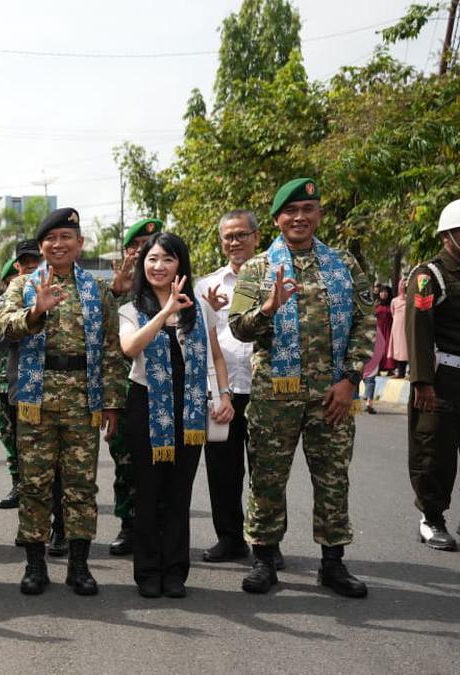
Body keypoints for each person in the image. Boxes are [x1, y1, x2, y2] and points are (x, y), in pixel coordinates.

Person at [229, 178, 374, 598]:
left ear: (319, 215)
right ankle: (264, 559)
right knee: (267, 480)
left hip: (332, 396)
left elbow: (365, 322)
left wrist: (350, 380)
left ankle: (333, 563)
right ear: (277, 219)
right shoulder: (257, 268)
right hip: (275, 396)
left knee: (333, 480)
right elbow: (238, 327)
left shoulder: (344, 264)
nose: (299, 217)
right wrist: (268, 308)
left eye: (307, 209)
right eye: (290, 211)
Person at [0, 208, 126, 596]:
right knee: (34, 485)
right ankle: (35, 565)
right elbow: (4, 328)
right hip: (35, 400)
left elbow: (111, 348)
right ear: (41, 246)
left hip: (83, 400)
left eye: (66, 237)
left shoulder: (96, 289)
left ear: (79, 243)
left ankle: (79, 566)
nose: (58, 244)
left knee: (80, 486)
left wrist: (112, 402)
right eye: (50, 239)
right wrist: (36, 310)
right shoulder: (23, 285)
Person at [120, 232, 234, 598]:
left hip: (190, 407)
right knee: (148, 492)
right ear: (142, 264)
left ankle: (174, 571)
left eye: (167, 259)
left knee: (178, 493)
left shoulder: (199, 307)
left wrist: (225, 395)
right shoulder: (131, 308)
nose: (159, 266)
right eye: (152, 259)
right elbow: (130, 347)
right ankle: (147, 571)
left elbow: (217, 357)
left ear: (180, 265)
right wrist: (165, 313)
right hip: (147, 406)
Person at [193, 210, 270, 565]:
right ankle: (230, 538)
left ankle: (267, 541)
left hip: (265, 389)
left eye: (242, 235)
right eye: (229, 236)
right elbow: (196, 339)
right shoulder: (205, 286)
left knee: (266, 471)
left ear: (257, 237)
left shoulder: (275, 280)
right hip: (221, 391)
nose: (235, 242)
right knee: (222, 469)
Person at [102, 218, 162, 556]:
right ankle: (129, 525)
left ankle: (160, 527)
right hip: (125, 391)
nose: (142, 251)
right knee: (127, 463)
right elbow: (97, 335)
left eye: (149, 244)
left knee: (165, 463)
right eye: (136, 245)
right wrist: (115, 292)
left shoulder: (173, 285)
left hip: (165, 391)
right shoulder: (115, 291)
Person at [405, 198, 460, 551]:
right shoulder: (429, 276)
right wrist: (422, 382)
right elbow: (418, 329)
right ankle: (432, 518)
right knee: (434, 451)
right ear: (446, 236)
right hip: (443, 376)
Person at [0, 240, 43, 512]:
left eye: (36, 261)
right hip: (13, 383)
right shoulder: (6, 301)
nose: (31, 267)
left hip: (50, 384)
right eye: (26, 264)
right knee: (13, 439)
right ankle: (20, 485)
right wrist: (25, 317)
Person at [388, 277, 409, 378]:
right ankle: (401, 373)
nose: (404, 287)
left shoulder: (411, 299)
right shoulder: (394, 301)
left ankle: (409, 372)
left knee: (407, 349)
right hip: (397, 328)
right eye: (402, 285)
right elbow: (393, 313)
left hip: (408, 327)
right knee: (398, 350)